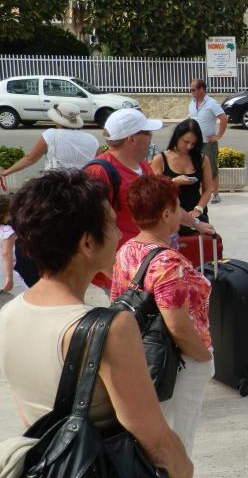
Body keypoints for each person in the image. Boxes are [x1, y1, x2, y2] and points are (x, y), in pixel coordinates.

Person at [0, 170, 193, 478]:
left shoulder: (9, 314)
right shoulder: (110, 329)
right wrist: (184, 468)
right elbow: (156, 440)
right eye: (112, 225)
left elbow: (32, 417)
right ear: (88, 243)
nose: (119, 235)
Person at [111, 175, 213, 454]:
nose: (181, 213)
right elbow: (177, 326)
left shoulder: (126, 250)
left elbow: (117, 299)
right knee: (178, 439)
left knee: (154, 434)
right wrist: (204, 358)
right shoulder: (168, 262)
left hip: (143, 353)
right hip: (179, 359)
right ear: (166, 214)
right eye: (178, 207)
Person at [84, 109, 215, 290]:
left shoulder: (143, 166)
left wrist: (196, 223)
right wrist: (121, 281)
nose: (151, 137)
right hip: (124, 275)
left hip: (148, 267)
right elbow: (91, 232)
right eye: (147, 133)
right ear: (132, 138)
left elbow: (165, 204)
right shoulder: (98, 172)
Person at [0, 102, 100, 179]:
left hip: (55, 186)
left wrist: (5, 172)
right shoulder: (92, 139)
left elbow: (30, 159)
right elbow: (97, 165)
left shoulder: (51, 135)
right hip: (84, 186)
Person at [151, 119, 214, 234]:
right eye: (186, 141)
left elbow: (208, 189)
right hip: (169, 216)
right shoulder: (160, 159)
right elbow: (155, 191)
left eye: (193, 144)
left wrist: (199, 209)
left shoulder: (203, 160)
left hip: (196, 214)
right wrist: (174, 182)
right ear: (177, 137)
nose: (189, 146)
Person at [188, 79, 227, 204]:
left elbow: (223, 119)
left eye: (193, 89)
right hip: (194, 143)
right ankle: (201, 193)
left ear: (201, 89)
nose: (191, 92)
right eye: (191, 89)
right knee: (195, 168)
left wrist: (218, 136)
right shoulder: (192, 103)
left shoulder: (212, 103)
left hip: (208, 143)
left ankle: (215, 194)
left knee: (212, 169)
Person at [0, 194, 23, 293]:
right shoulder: (7, 231)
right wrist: (9, 277)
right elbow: (6, 253)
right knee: (27, 295)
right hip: (3, 272)